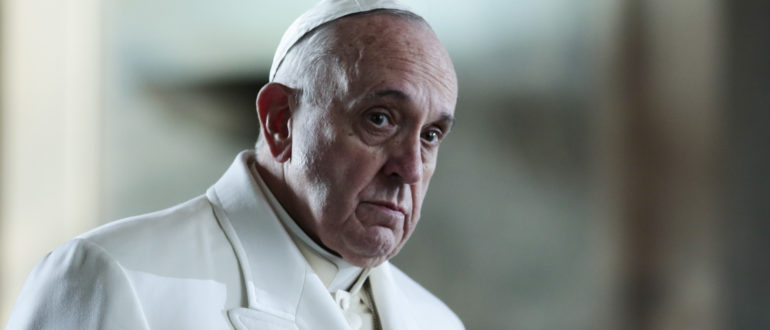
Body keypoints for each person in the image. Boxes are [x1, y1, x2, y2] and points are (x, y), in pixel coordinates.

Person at [6, 0, 462, 329]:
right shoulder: (111, 276)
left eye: (430, 136)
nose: (411, 168)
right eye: (379, 119)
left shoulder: (437, 321)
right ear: (280, 121)